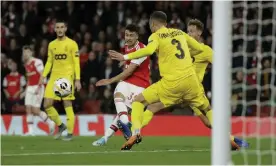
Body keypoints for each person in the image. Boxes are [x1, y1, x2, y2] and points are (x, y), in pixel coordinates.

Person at [109, 11, 230, 150]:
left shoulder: (155, 36)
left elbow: (148, 51)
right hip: (192, 83)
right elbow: (198, 48)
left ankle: (136, 132)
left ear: (153, 24)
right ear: (166, 24)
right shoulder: (179, 33)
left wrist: (125, 57)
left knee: (138, 101)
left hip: (171, 83)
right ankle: (226, 137)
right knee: (207, 109)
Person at [139, 19, 249, 149]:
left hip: (192, 89)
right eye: (188, 31)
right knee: (153, 107)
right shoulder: (182, 45)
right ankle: (134, 130)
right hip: (183, 86)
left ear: (200, 33)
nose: (189, 33)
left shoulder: (205, 50)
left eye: (192, 31)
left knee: (208, 123)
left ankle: (232, 140)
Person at [92, 24, 150, 146]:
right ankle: (113, 133)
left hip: (139, 85)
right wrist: (124, 61)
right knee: (119, 99)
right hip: (128, 81)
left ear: (137, 36)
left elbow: (129, 71)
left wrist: (109, 80)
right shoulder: (127, 46)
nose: (128, 38)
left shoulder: (142, 49)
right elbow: (129, 65)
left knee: (122, 109)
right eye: (126, 35)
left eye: (131, 36)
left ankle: (112, 134)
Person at [39, 19, 81, 141]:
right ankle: (60, 125)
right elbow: (49, 61)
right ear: (54, 29)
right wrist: (43, 75)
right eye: (57, 27)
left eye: (62, 27)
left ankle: (70, 133)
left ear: (65, 28)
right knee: (47, 105)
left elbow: (76, 63)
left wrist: (77, 79)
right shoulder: (52, 44)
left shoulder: (72, 44)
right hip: (53, 77)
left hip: (66, 77)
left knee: (67, 103)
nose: (60, 29)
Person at [22, 45, 55, 136]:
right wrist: (25, 90)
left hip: (38, 87)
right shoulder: (26, 64)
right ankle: (31, 131)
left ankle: (50, 122)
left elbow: (42, 74)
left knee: (35, 110)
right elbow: (29, 78)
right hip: (30, 88)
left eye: (27, 52)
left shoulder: (37, 62)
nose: (25, 54)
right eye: (24, 52)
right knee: (28, 108)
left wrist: (39, 86)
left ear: (31, 52)